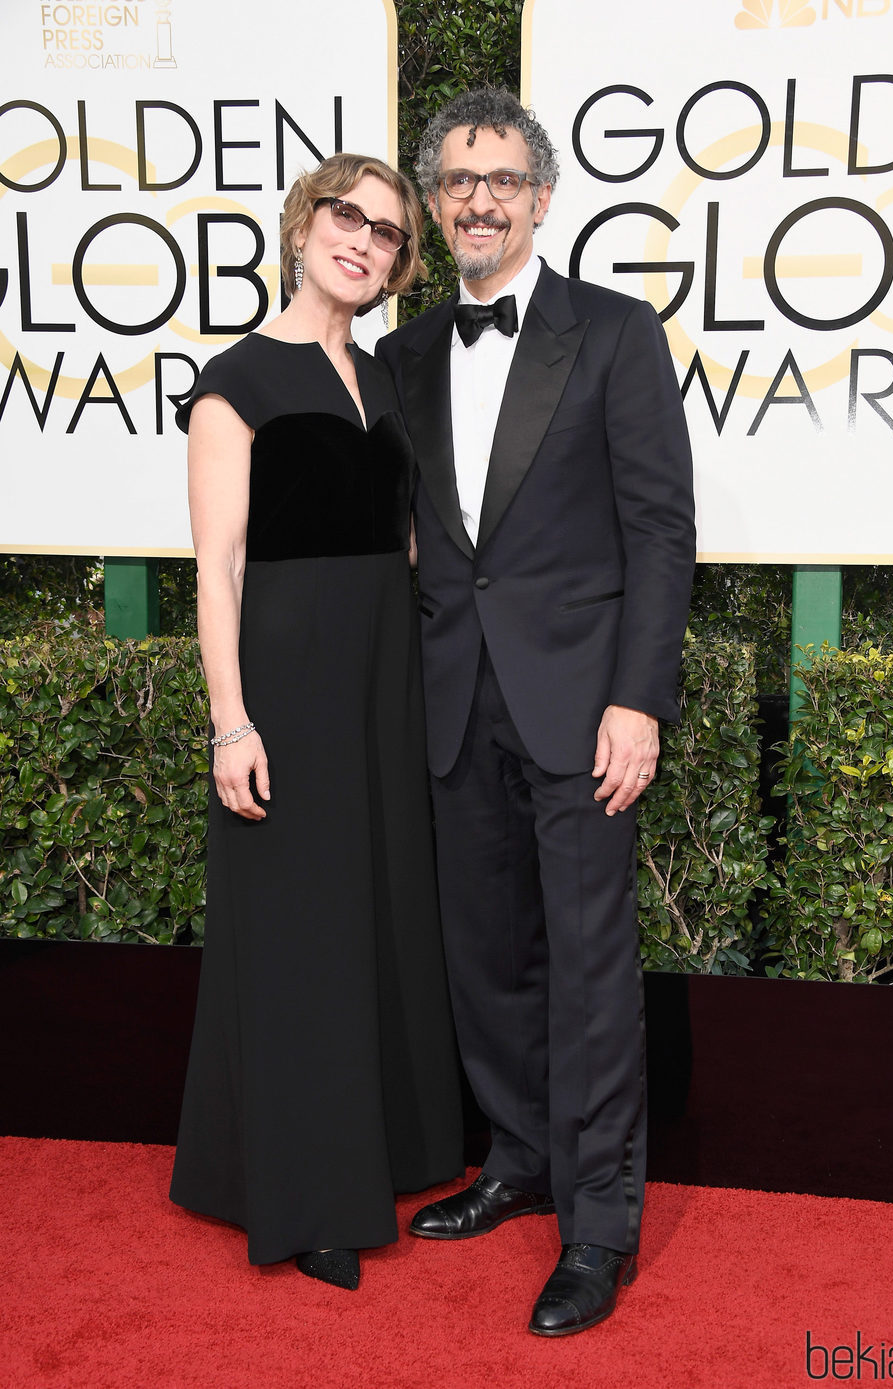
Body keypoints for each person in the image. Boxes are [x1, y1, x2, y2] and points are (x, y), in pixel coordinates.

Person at [376, 89, 696, 1336]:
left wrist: (637, 698)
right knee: (485, 959)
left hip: (580, 708)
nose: (478, 198)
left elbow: (660, 532)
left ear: (542, 196)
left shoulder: (613, 332)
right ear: (433, 200)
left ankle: (599, 1227)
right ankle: (514, 1159)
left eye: (502, 178)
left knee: (588, 972)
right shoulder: (402, 355)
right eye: (456, 179)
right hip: (451, 702)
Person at [169, 153, 463, 1291]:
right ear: (302, 226)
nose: (365, 241)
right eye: (347, 217)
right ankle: (307, 1197)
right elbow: (219, 570)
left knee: (379, 909)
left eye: (388, 233)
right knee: (300, 933)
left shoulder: (384, 380)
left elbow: (407, 542)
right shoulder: (233, 381)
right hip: (285, 683)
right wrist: (230, 723)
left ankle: (390, 1147)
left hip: (382, 680)